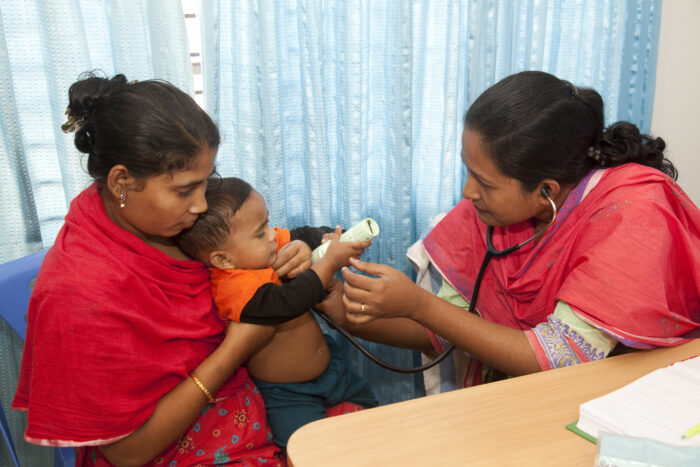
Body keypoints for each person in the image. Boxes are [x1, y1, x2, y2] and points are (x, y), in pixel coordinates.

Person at [317, 70, 700, 393]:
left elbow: (559, 357)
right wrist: (328, 297)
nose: (468, 193)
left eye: (484, 182)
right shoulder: (491, 217)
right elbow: (448, 328)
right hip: (528, 401)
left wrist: (419, 304)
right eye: (467, 171)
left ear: (544, 191)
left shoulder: (632, 213)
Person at [12, 72, 303, 466]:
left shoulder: (168, 223)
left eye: (207, 181)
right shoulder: (78, 293)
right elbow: (128, 453)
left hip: (251, 426)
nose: (201, 204)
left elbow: (246, 265)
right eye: (184, 190)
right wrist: (236, 347)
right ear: (121, 182)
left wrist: (290, 255)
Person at [175, 176, 378, 450]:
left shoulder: (261, 252)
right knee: (305, 451)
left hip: (333, 369)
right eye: (260, 232)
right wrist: (330, 262)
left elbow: (300, 234)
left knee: (378, 417)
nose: (272, 235)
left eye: (267, 224)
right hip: (288, 394)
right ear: (223, 259)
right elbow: (287, 302)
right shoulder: (233, 289)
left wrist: (326, 239)